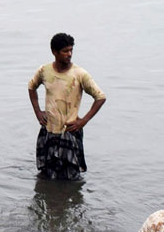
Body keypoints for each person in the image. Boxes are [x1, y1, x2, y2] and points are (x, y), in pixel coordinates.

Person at [28, 32, 106, 180]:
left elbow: (100, 97)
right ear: (54, 52)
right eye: (65, 51)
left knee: (71, 177)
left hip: (69, 132)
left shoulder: (79, 74)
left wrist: (83, 121)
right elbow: (32, 87)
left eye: (71, 50)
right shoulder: (44, 71)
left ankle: (68, 200)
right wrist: (38, 112)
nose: (69, 54)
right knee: (46, 174)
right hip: (49, 131)